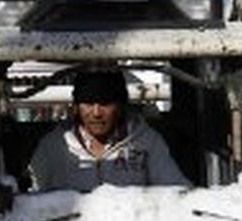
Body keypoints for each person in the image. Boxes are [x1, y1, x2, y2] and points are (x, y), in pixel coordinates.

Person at [27, 67, 190, 191]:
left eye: (105, 103)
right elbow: (31, 196)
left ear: (120, 106)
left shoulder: (148, 141)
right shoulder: (53, 145)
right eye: (88, 104)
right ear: (76, 107)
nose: (96, 113)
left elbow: (176, 191)